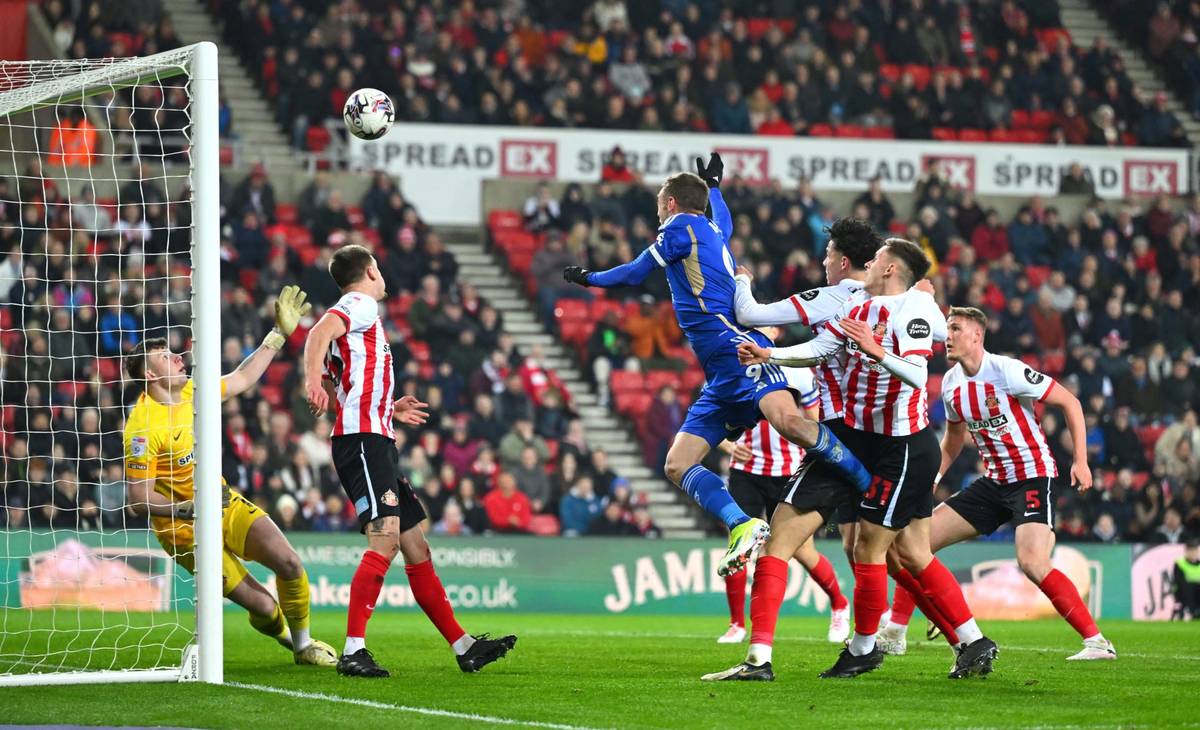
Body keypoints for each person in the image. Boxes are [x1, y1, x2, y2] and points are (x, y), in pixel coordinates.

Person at [562, 153, 871, 578]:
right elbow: (723, 220)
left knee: (787, 421)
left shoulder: (678, 228)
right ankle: (742, 524)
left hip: (738, 347)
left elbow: (634, 273)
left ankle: (864, 479)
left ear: (671, 203)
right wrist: (715, 187)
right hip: (720, 373)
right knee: (677, 463)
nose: (658, 210)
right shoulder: (709, 228)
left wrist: (589, 278)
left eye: (660, 202)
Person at [726, 239, 995, 681]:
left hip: (901, 448)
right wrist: (770, 354)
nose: (868, 263)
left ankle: (868, 648)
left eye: (877, 258)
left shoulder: (916, 309)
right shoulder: (856, 305)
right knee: (894, 551)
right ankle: (969, 640)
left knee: (885, 550)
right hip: (852, 438)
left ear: (890, 269)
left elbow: (917, 375)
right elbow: (820, 349)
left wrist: (876, 349)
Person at [302, 244, 516, 678]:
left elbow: (348, 378)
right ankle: (354, 650)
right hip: (363, 441)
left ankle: (464, 646)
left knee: (416, 545)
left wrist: (388, 406)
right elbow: (317, 333)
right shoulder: (360, 304)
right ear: (371, 271)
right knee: (384, 540)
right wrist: (312, 382)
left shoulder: (362, 318)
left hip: (374, 434)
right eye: (379, 268)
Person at [877, 307, 1115, 661]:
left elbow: (1070, 401)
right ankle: (896, 632)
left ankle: (1097, 642)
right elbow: (953, 442)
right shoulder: (951, 384)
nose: (948, 337)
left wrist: (1080, 460)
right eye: (947, 329)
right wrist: (933, 479)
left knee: (1032, 561)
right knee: (914, 544)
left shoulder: (1007, 371)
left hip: (1032, 475)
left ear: (977, 335)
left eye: (955, 329)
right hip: (994, 482)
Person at [123, 286, 336, 668]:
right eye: (165, 357)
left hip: (221, 502)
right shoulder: (142, 428)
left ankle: (305, 646)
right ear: (150, 374)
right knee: (264, 607)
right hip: (182, 529)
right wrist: (189, 508)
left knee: (289, 563)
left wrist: (277, 334)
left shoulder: (194, 391)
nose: (177, 357)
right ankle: (288, 639)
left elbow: (243, 376)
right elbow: (138, 498)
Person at [713, 342, 851, 647]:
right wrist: (728, 445)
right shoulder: (729, 368)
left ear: (776, 330)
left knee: (802, 550)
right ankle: (736, 624)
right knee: (739, 543)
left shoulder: (796, 371)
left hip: (787, 471)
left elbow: (814, 421)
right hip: (746, 471)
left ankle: (840, 604)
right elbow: (710, 418)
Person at [1174, 538, 1200, 619]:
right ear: (1186, 551)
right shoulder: (1180, 564)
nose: (1193, 553)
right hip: (1185, 593)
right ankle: (1190, 610)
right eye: (1191, 550)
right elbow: (1179, 581)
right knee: (1187, 587)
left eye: (1195, 550)